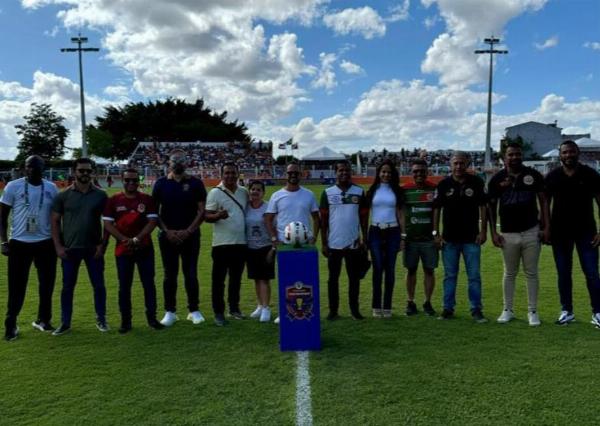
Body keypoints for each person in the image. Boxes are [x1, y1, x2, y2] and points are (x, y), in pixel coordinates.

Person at [488, 142, 549, 326]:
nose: (514, 157)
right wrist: (493, 233)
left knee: (531, 273)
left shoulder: (533, 175)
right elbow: (491, 207)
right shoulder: (497, 178)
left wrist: (546, 227)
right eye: (511, 155)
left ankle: (533, 311)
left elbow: (544, 202)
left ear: (522, 156)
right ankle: (508, 309)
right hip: (508, 234)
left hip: (531, 231)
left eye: (518, 154)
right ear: (504, 157)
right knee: (509, 273)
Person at [1, 156, 59, 341]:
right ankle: (11, 325)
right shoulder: (13, 186)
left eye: (36, 167)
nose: (32, 170)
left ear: (43, 168)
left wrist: (58, 242)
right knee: (17, 286)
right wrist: (3, 241)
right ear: (24, 168)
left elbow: (57, 217)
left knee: (47, 284)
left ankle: (44, 320)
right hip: (19, 243)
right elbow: (1, 217)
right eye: (28, 167)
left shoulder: (51, 188)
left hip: (45, 242)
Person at [545, 140, 600, 327]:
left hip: (587, 233)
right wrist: (547, 228)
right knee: (563, 273)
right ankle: (567, 311)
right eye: (565, 152)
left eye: (572, 152)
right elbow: (545, 204)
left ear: (578, 153)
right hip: (560, 234)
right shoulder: (553, 176)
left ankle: (598, 312)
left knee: (592, 273)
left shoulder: (590, 174)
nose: (568, 155)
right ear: (560, 155)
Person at [51, 158, 109, 335]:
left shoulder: (101, 195)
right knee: (67, 287)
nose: (85, 174)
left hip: (93, 248)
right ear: (74, 172)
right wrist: (58, 247)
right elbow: (54, 221)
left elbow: (108, 223)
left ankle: (101, 319)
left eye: (88, 171)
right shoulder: (63, 195)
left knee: (98, 285)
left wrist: (103, 246)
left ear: (92, 172)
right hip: (70, 249)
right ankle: (65, 322)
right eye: (81, 170)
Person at [103, 168, 164, 333]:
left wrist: (137, 238)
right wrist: (124, 239)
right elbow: (107, 224)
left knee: (149, 284)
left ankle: (152, 319)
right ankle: (126, 322)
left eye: (134, 180)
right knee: (124, 286)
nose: (131, 183)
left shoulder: (146, 199)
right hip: (123, 250)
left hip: (144, 248)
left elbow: (152, 222)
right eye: (128, 180)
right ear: (121, 180)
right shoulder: (113, 200)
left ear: (139, 181)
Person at [152, 150, 207, 327]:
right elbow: (154, 212)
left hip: (190, 236)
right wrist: (167, 231)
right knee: (170, 275)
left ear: (187, 163)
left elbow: (201, 211)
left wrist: (189, 231)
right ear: (169, 163)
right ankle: (170, 311)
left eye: (181, 161)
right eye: (174, 161)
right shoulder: (160, 184)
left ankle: (194, 310)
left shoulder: (195, 183)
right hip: (167, 236)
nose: (177, 164)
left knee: (190, 273)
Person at [432, 151, 488, 323]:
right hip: (449, 239)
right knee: (450, 276)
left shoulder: (477, 182)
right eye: (455, 163)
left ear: (467, 164)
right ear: (450, 165)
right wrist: (436, 233)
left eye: (461, 163)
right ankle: (448, 308)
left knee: (474, 276)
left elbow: (484, 207)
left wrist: (483, 231)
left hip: (471, 238)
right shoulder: (443, 184)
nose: (458, 166)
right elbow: (436, 209)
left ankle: (476, 309)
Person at [265, 162, 320, 324]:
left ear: (301, 174)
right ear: (286, 175)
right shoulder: (277, 195)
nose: (293, 175)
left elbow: (317, 218)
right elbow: (268, 219)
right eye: (290, 173)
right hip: (284, 246)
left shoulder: (308, 194)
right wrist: (275, 239)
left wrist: (314, 237)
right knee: (286, 280)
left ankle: (306, 310)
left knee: (305, 280)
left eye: (296, 172)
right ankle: (284, 311)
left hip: (305, 246)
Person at [320, 160, 368, 320]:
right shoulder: (327, 193)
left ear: (351, 172)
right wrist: (324, 243)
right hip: (334, 244)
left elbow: (364, 218)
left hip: (353, 244)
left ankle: (355, 310)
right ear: (336, 172)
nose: (344, 173)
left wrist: (364, 239)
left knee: (354, 280)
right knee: (332, 279)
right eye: (341, 170)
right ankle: (333, 311)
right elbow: (323, 221)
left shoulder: (359, 192)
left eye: (347, 170)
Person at [205, 163, 249, 326]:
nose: (230, 176)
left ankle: (234, 308)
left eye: (233, 173)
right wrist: (218, 215)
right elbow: (206, 216)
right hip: (221, 244)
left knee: (236, 279)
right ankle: (218, 312)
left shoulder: (244, 192)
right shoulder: (215, 193)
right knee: (218, 281)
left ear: (238, 174)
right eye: (227, 173)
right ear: (221, 175)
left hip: (240, 243)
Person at [366, 159, 405, 318]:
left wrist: (403, 236)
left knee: (390, 270)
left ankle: (387, 307)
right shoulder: (373, 190)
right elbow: (365, 213)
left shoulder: (397, 190)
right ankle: (376, 306)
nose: (386, 174)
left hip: (393, 232)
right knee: (377, 269)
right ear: (379, 173)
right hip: (375, 231)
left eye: (388, 172)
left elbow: (401, 214)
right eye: (383, 171)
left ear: (392, 173)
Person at [401, 159, 438, 317]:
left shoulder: (434, 189)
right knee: (411, 270)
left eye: (422, 171)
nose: (419, 174)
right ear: (412, 173)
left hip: (429, 239)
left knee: (429, 270)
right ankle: (410, 301)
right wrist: (403, 235)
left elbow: (437, 212)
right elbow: (401, 213)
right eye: (416, 171)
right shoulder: (405, 190)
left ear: (427, 172)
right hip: (411, 239)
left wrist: (436, 233)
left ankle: (427, 302)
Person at [245, 180, 275, 323]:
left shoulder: (269, 208)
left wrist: (273, 248)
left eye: (258, 190)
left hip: (265, 247)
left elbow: (275, 229)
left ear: (263, 192)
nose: (255, 192)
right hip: (250, 247)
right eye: (252, 189)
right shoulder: (246, 207)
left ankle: (266, 308)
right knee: (256, 278)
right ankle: (259, 305)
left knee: (264, 279)